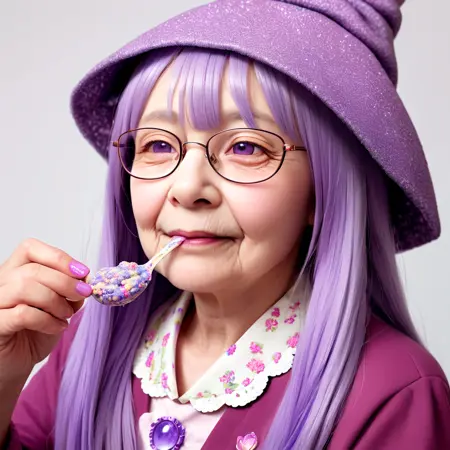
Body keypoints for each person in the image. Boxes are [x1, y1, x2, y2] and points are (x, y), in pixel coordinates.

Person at [1, 1, 449, 449]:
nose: (187, 187)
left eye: (246, 147)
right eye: (158, 144)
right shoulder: (85, 343)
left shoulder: (395, 393)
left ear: (322, 190)